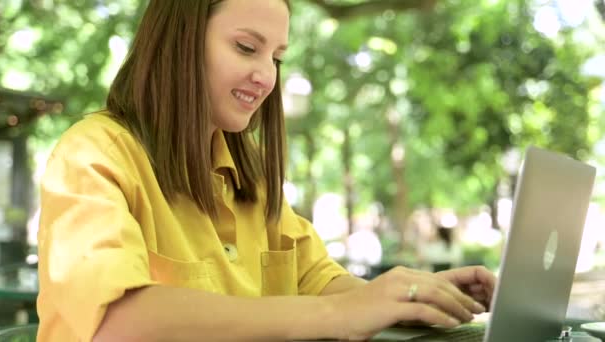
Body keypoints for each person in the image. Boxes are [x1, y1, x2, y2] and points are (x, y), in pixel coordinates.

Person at [36, 0, 496, 341]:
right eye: (245, 47)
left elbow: (318, 280)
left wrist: (412, 297)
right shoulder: (92, 154)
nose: (266, 76)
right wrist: (343, 316)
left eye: (275, 57)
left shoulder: (248, 173)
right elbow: (116, 323)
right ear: (178, 41)